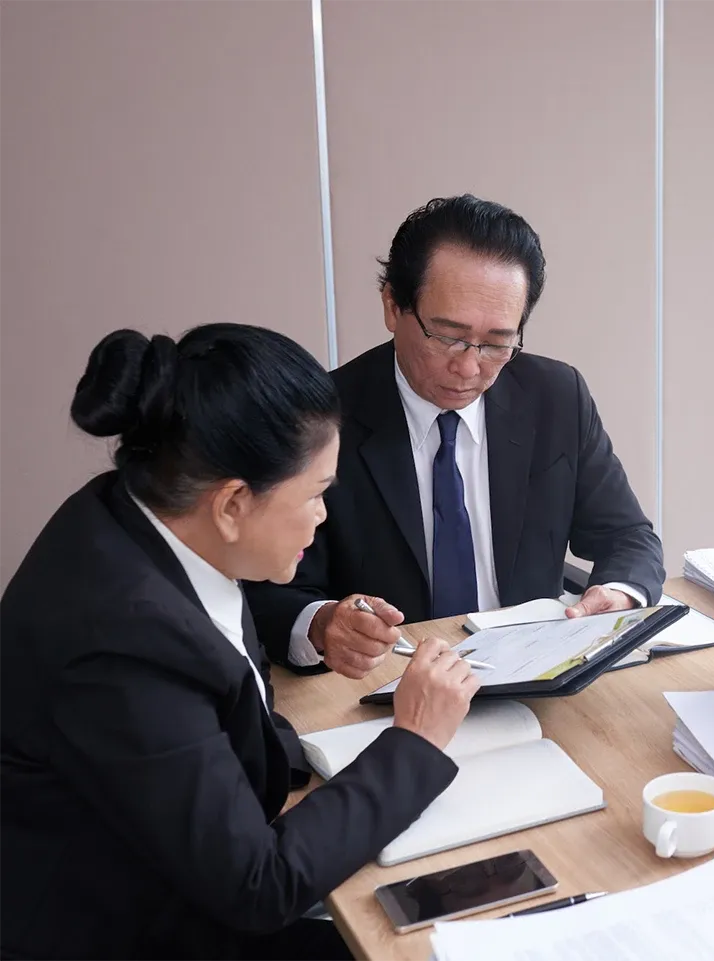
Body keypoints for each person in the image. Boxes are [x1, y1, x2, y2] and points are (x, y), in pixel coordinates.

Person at [0, 325, 480, 960]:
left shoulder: (141, 513)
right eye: (316, 494)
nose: (323, 516)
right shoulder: (123, 646)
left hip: (174, 872)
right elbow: (259, 888)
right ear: (231, 504)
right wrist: (414, 741)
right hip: (126, 929)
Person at [247, 195, 665, 678]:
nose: (468, 368)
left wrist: (620, 594)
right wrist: (323, 625)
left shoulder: (556, 396)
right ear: (392, 306)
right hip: (387, 682)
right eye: (447, 336)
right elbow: (267, 592)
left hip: (532, 672)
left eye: (496, 343)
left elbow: (627, 536)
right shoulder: (317, 417)